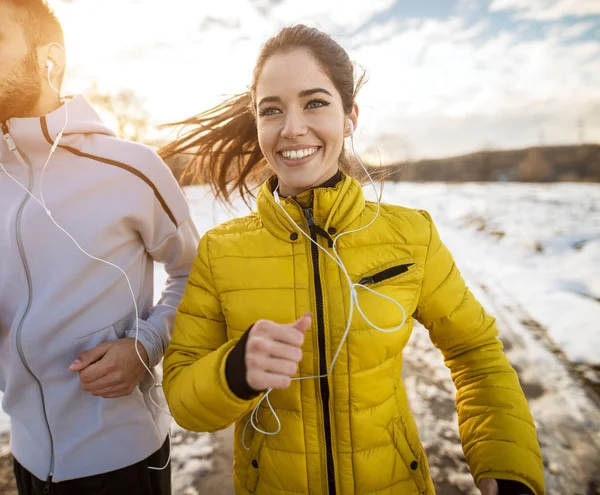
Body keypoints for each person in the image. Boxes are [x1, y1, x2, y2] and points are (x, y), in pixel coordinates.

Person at [161, 24, 544, 495]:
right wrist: (234, 369)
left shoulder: (411, 235)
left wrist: (506, 465)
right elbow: (181, 398)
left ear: (349, 117)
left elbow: (476, 352)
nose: (292, 127)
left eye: (315, 102)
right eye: (272, 110)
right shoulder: (221, 251)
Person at [0, 1, 199, 494]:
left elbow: (198, 274)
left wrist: (147, 344)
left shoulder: (132, 167)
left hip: (123, 456)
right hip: (25, 456)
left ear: (50, 59)